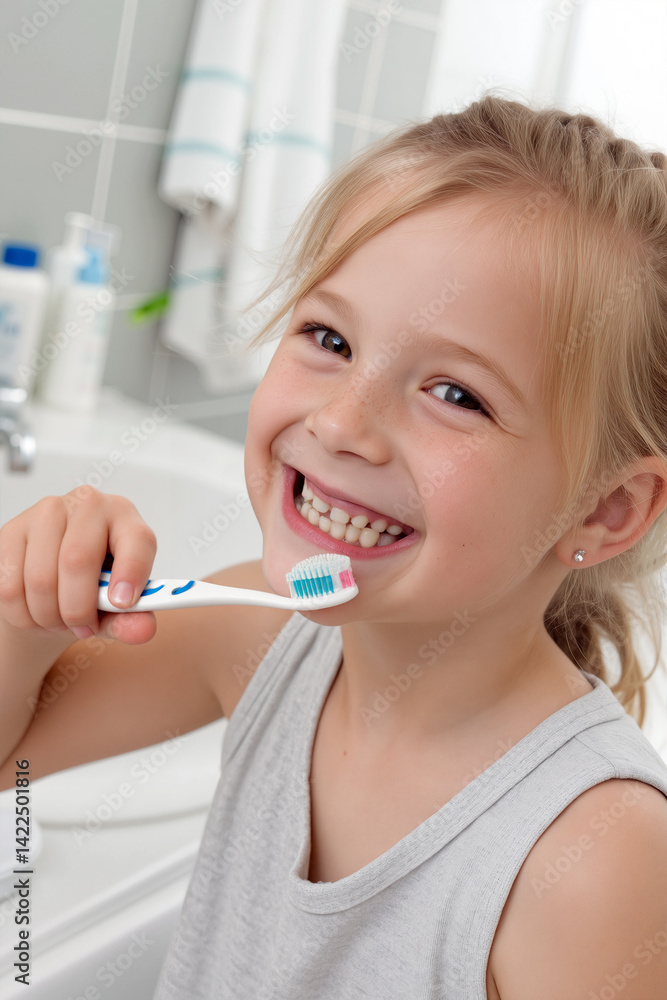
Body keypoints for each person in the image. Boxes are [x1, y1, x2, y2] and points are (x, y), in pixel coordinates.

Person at [1, 93, 667, 999]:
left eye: (456, 395)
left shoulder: (599, 861)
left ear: (606, 510)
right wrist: (25, 617)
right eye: (329, 337)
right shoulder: (262, 638)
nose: (341, 422)